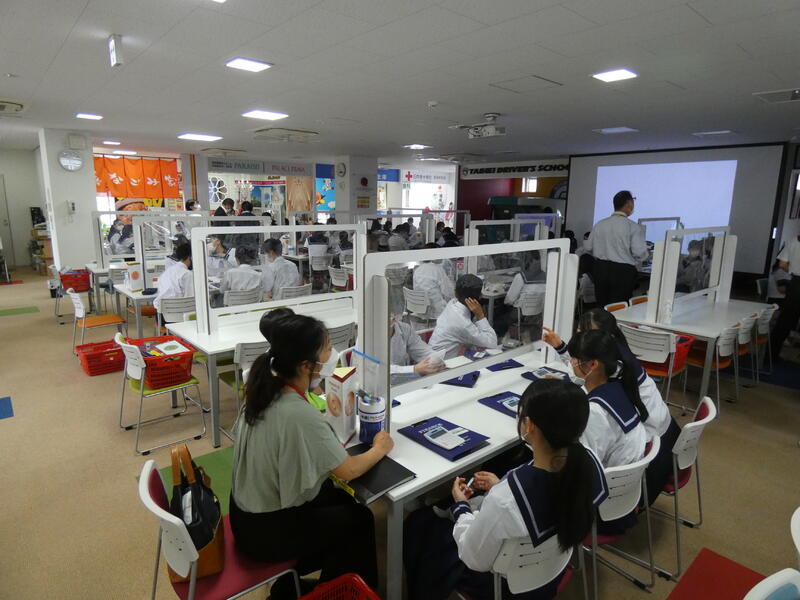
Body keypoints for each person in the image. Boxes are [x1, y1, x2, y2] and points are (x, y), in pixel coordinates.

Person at [229, 314, 394, 598]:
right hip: (264, 533)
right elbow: (348, 470)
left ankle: (314, 583)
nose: (332, 354)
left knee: (340, 499)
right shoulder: (297, 413)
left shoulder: (264, 390)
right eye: (327, 349)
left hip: (245, 513)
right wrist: (380, 448)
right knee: (359, 521)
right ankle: (334, 592)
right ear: (305, 365)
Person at [403, 379, 608, 600]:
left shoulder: (506, 499)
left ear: (529, 425)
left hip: (506, 586)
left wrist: (461, 506)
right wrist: (502, 485)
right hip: (554, 568)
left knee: (420, 525)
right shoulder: (589, 461)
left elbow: (474, 558)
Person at [544, 308, 678, 503]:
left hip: (648, 450)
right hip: (645, 449)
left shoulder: (610, 384)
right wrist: (563, 350)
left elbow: (584, 373)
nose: (582, 337)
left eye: (586, 333)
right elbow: (585, 371)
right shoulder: (613, 363)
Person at [586, 190, 648, 307]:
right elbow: (639, 253)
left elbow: (588, 247)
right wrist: (643, 255)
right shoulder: (633, 226)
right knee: (620, 308)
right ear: (629, 204)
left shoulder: (600, 224)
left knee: (602, 306)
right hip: (622, 272)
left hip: (600, 269)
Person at [429, 274, 499, 359]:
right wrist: (480, 316)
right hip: (442, 364)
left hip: (433, 356)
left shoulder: (452, 303)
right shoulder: (463, 324)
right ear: (480, 296)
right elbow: (492, 343)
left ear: (455, 294)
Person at [494, 253, 547, 339]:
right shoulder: (546, 277)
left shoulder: (521, 277)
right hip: (537, 316)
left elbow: (509, 300)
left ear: (527, 261)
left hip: (520, 315)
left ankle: (501, 340)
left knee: (498, 317)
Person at [770, 234, 800, 361]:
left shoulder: (794, 240)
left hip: (796, 284)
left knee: (784, 322)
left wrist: (793, 269)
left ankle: (770, 356)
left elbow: (782, 264)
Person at [389, 315, 445, 380]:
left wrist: (436, 360)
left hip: (404, 380)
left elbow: (423, 351)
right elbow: (383, 369)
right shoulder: (377, 334)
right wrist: (414, 369)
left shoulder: (404, 328)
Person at [413, 243, 455, 319]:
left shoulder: (418, 269)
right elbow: (449, 291)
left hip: (420, 309)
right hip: (437, 311)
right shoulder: (437, 269)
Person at [153, 243, 193, 316]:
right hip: (180, 316)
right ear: (189, 257)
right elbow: (190, 300)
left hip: (162, 315)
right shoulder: (187, 274)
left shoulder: (167, 271)